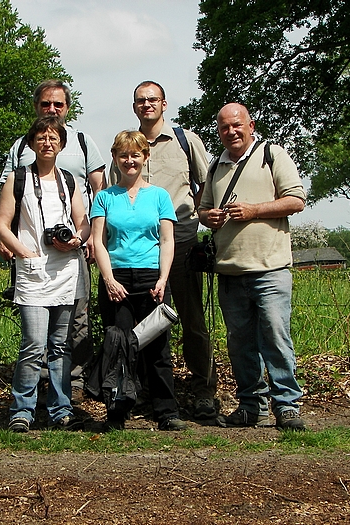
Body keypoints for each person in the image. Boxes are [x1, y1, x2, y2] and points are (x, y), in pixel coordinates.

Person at [110, 81, 217, 420]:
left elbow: (208, 183)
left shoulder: (186, 141)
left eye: (152, 99)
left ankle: (203, 392)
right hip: (135, 253)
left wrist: (195, 217)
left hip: (180, 244)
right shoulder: (127, 146)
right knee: (141, 326)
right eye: (141, 100)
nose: (147, 105)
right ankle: (141, 391)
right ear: (134, 106)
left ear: (164, 104)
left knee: (190, 321)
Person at [198, 102, 307, 430]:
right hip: (230, 271)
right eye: (224, 127)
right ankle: (250, 405)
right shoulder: (216, 165)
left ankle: (287, 404)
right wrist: (210, 217)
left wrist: (254, 210)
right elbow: (203, 209)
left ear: (251, 125)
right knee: (240, 342)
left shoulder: (273, 155)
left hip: (270, 268)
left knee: (275, 335)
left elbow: (297, 200)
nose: (231, 131)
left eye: (236, 125)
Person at [0, 80, 106, 392]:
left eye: (58, 104)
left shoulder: (83, 142)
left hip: (75, 247)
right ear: (37, 107)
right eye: (46, 104)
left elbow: (99, 191)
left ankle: (71, 385)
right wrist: (5, 241)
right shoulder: (21, 146)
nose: (52, 110)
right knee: (35, 326)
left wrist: (90, 238)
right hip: (29, 247)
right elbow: (5, 200)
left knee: (76, 320)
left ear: (68, 108)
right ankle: (40, 387)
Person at [0, 115, 90, 433]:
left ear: (61, 144)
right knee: (34, 344)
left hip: (65, 270)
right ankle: (21, 409)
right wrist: (25, 253)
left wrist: (78, 239)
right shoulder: (17, 178)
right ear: (32, 143)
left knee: (61, 346)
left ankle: (61, 408)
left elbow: (83, 220)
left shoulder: (69, 181)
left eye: (53, 138)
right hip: (33, 273)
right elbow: (2, 224)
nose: (47, 142)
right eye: (41, 137)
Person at [92, 130, 186, 431]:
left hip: (152, 279)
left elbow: (167, 241)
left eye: (135, 155)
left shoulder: (159, 196)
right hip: (117, 280)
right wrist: (108, 279)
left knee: (158, 348)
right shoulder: (104, 197)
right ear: (115, 159)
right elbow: (98, 241)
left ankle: (166, 412)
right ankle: (118, 411)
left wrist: (163, 278)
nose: (129, 161)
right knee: (119, 346)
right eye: (123, 155)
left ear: (145, 157)